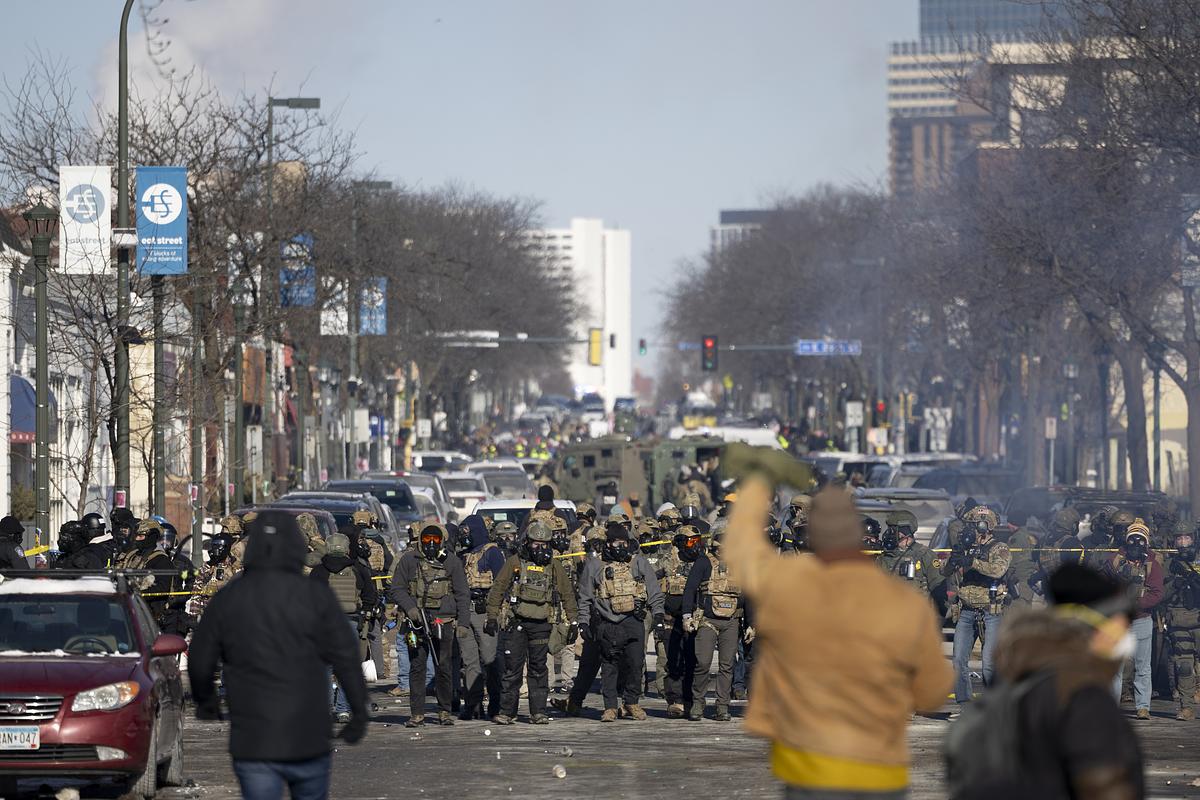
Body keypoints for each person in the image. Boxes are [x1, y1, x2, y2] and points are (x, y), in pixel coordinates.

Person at [719, 444, 953, 799]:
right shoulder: (902, 601)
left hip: (807, 767)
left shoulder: (792, 583)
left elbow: (741, 554)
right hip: (878, 771)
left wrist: (757, 484)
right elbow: (933, 691)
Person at [189, 510, 368, 800]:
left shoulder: (231, 597)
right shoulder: (315, 596)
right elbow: (346, 655)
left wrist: (206, 701)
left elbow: (201, 655)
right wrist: (358, 711)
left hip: (253, 736)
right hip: (308, 734)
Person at [944, 562, 1146, 799]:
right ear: (1096, 629)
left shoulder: (1016, 674)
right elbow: (1107, 786)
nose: (1123, 641)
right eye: (1120, 628)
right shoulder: (1082, 695)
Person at [485, 520, 578, 725]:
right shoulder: (514, 562)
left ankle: (538, 712)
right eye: (536, 544)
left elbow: (567, 594)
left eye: (544, 544)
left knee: (538, 669)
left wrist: (573, 621)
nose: (540, 548)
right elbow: (498, 589)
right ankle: (507, 712)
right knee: (512, 670)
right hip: (516, 623)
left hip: (542, 624)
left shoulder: (554, 566)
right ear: (527, 542)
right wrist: (492, 617)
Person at [576, 520, 664, 722]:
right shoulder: (595, 565)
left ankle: (631, 702)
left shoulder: (638, 562)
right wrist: (583, 622)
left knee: (635, 664)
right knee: (609, 666)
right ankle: (609, 707)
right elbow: (585, 596)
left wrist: (658, 614)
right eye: (616, 543)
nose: (621, 547)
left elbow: (654, 590)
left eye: (624, 543)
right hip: (607, 623)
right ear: (608, 544)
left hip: (633, 621)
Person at [389, 523, 470, 727]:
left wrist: (464, 623)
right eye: (426, 540)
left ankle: (444, 711)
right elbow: (397, 588)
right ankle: (417, 714)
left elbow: (462, 593)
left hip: (444, 622)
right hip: (415, 623)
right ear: (420, 541)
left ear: (442, 541)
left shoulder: (451, 561)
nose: (431, 544)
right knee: (417, 667)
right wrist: (410, 608)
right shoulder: (409, 560)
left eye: (435, 540)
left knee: (443, 667)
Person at [944, 505, 1012, 705]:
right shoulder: (965, 547)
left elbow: (997, 570)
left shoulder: (999, 548)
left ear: (985, 526)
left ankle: (994, 706)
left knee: (989, 665)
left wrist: (971, 561)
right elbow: (945, 573)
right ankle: (964, 704)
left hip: (990, 611)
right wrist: (955, 559)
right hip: (966, 611)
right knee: (958, 661)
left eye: (973, 526)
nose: (969, 530)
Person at [310, 531, 377, 722]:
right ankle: (343, 710)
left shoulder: (319, 571)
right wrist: (367, 613)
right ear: (347, 548)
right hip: (351, 623)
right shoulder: (358, 569)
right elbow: (370, 596)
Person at [682, 525, 746, 722]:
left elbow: (749, 595)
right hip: (707, 620)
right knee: (702, 663)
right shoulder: (703, 562)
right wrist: (686, 615)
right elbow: (690, 589)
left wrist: (751, 623)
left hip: (731, 621)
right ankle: (698, 704)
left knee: (727, 665)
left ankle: (722, 707)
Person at [1102, 519, 1164, 719]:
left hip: (1142, 620)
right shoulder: (1116, 560)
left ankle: (1143, 706)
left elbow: (1157, 593)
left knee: (1142, 667)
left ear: (1146, 543)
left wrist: (1136, 605)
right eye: (1132, 539)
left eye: (1140, 540)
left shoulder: (1152, 564)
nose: (1136, 544)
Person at [456, 514, 506, 720]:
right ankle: (473, 704)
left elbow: (502, 582)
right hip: (465, 611)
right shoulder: (462, 555)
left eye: (467, 532)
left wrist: (497, 613)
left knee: (490, 658)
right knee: (469, 661)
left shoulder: (492, 552)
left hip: (485, 611)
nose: (464, 536)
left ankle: (496, 703)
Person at [1166, 522, 1200, 721]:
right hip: (1179, 620)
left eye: (1186, 537)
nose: (1183, 542)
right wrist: (1174, 583)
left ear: (1193, 539)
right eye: (1179, 538)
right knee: (1184, 666)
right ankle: (1187, 707)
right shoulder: (1169, 564)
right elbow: (1160, 593)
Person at [877, 510, 942, 597]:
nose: (890, 533)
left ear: (905, 531)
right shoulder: (885, 556)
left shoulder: (925, 555)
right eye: (889, 528)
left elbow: (938, 586)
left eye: (894, 529)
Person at [188, 531, 241, 622]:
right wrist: (193, 616)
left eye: (219, 545)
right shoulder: (207, 567)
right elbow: (196, 593)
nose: (216, 548)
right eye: (214, 545)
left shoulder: (236, 567)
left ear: (227, 547)